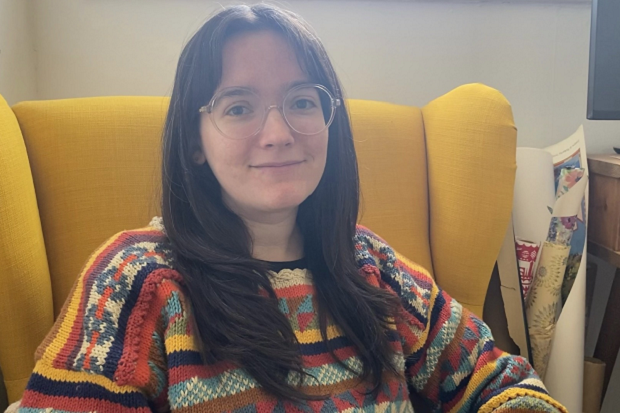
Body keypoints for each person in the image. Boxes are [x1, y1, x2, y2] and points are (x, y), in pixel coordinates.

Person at [17, 4, 566, 412]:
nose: (278, 133)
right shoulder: (135, 278)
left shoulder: (370, 264)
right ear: (193, 141)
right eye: (239, 107)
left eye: (302, 101)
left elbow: (498, 378)